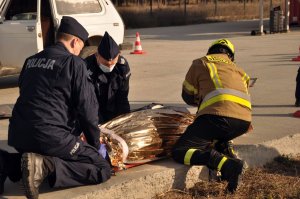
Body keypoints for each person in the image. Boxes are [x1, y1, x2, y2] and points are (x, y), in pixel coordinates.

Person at [0, 16, 111, 198]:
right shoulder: (74, 63)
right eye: (80, 48)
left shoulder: (31, 61)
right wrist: (94, 145)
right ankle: (45, 166)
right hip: (49, 136)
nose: (79, 52)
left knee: (48, 149)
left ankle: (5, 162)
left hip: (18, 135)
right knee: (101, 168)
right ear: (75, 41)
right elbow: (87, 110)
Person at [172, 39, 252, 193]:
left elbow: (187, 95)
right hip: (243, 123)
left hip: (217, 118)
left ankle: (228, 165)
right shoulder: (240, 71)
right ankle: (224, 147)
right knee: (214, 133)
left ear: (210, 52)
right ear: (230, 56)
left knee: (180, 151)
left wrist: (201, 97)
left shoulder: (200, 63)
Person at [85, 31, 131, 124]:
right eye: (105, 64)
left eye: (112, 63)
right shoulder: (86, 68)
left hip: (113, 110)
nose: (109, 67)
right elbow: (89, 103)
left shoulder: (122, 66)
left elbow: (122, 98)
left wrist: (125, 120)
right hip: (93, 113)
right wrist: (100, 126)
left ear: (118, 55)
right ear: (97, 55)